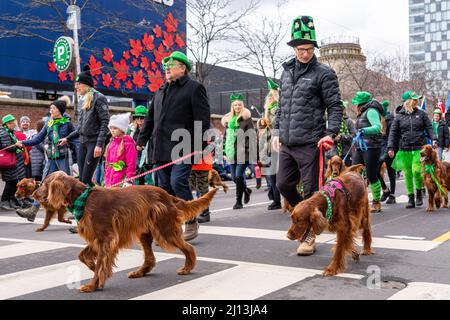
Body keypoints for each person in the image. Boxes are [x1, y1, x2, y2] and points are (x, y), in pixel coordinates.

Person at [272, 16, 342, 256]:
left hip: (312, 142)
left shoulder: (324, 73)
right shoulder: (286, 72)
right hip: (288, 142)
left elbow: (335, 106)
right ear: (294, 48)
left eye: (310, 49)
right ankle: (308, 216)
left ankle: (309, 237)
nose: (305, 54)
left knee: (313, 192)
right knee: (283, 184)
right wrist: (276, 131)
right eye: (301, 49)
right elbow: (281, 106)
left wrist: (330, 133)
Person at [137, 51, 211, 241]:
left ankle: (191, 219)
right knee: (164, 189)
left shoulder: (194, 88)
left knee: (178, 182)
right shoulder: (160, 91)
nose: (167, 69)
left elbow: (202, 119)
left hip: (184, 146)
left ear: (183, 68)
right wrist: (141, 141)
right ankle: (170, 227)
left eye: (171, 65)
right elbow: (150, 119)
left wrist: (199, 144)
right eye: (166, 66)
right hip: (160, 148)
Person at [64, 65, 110, 233]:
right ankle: (102, 205)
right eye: (75, 85)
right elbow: (80, 127)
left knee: (83, 182)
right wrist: (67, 138)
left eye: (78, 84)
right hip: (83, 143)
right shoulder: (83, 100)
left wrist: (99, 144)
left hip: (93, 143)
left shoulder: (99, 98)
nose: (76, 87)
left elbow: (105, 123)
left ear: (87, 84)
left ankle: (83, 219)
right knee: (84, 181)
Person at [15, 96, 77, 221]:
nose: (51, 111)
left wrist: (77, 158)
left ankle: (77, 212)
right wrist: (23, 142)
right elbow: (38, 138)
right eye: (50, 109)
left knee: (67, 185)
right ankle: (33, 211)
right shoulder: (48, 123)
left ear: (59, 110)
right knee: (43, 184)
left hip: (63, 159)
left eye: (53, 108)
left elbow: (77, 139)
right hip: (50, 159)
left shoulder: (68, 124)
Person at [388, 91, 437, 209]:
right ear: (408, 102)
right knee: (408, 174)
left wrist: (434, 139)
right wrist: (390, 147)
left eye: (417, 100)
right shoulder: (398, 116)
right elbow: (393, 133)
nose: (416, 101)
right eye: (414, 100)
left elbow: (429, 127)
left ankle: (419, 192)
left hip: (419, 148)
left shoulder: (421, 114)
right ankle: (411, 198)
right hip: (404, 149)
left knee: (416, 171)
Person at [351, 92, 384, 213]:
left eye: (356, 103)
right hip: (360, 147)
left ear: (361, 103)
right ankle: (356, 201)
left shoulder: (371, 111)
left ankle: (376, 202)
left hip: (372, 147)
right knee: (353, 174)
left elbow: (377, 127)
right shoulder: (362, 113)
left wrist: (364, 130)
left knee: (371, 175)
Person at [221, 94, 255, 210]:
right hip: (232, 153)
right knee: (235, 178)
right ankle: (246, 190)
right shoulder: (229, 121)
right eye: (235, 105)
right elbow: (225, 137)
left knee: (239, 175)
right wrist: (225, 152)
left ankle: (238, 201)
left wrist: (248, 150)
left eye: (239, 104)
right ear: (232, 106)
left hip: (243, 152)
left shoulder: (246, 119)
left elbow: (252, 135)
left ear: (242, 106)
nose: (237, 106)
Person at [257, 78, 282, 210]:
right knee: (270, 173)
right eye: (269, 96)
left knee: (274, 174)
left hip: (275, 144)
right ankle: (275, 197)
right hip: (267, 144)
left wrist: (267, 120)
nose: (270, 98)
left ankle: (277, 199)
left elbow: (276, 124)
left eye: (272, 95)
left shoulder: (277, 109)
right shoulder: (268, 110)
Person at [104, 113, 137, 188]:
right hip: (109, 179)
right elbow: (107, 163)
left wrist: (129, 179)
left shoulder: (129, 144)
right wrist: (106, 177)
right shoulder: (111, 143)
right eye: (111, 128)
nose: (112, 130)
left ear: (122, 130)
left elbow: (131, 163)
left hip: (121, 179)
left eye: (115, 128)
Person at [0, 115, 26, 210]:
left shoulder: (10, 132)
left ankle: (10, 201)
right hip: (9, 162)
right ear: (7, 124)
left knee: (14, 182)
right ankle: (4, 201)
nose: (14, 125)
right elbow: (6, 147)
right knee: (10, 183)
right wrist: (18, 146)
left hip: (14, 162)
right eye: (13, 123)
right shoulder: (4, 133)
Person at [129, 105, 153, 185]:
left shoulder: (151, 129)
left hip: (147, 159)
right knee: (135, 181)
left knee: (149, 180)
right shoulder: (130, 129)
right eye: (137, 117)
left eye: (142, 117)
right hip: (134, 158)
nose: (139, 119)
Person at [378, 100, 397, 204]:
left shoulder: (390, 121)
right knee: (375, 170)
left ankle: (392, 195)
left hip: (390, 148)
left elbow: (393, 136)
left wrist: (391, 149)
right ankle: (385, 190)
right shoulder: (377, 120)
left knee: (391, 171)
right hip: (379, 148)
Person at [328, 101, 356, 166]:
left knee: (346, 172)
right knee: (335, 173)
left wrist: (342, 137)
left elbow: (354, 135)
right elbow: (327, 134)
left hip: (346, 152)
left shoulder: (349, 121)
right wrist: (333, 137)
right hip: (334, 153)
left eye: (342, 109)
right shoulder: (332, 121)